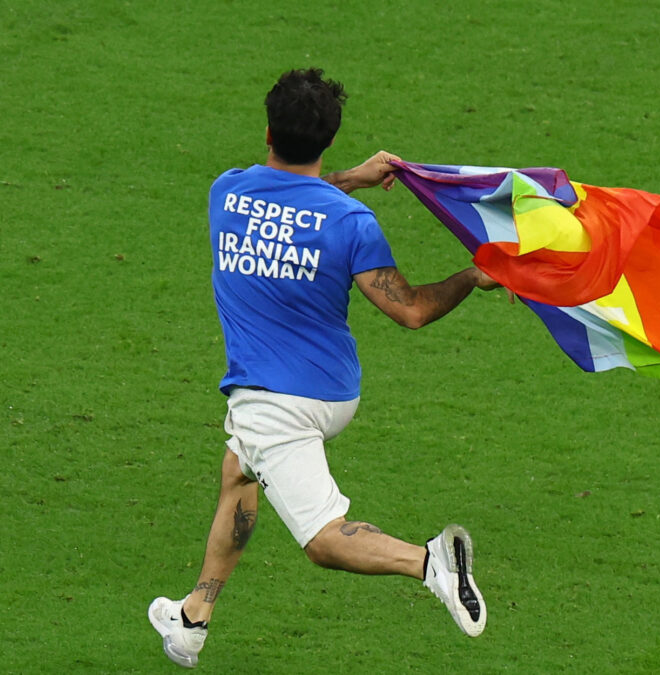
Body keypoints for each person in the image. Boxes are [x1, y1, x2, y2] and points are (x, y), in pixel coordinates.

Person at [148, 68, 499, 668]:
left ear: (266, 130)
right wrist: (471, 274)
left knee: (322, 541)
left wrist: (347, 181)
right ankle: (192, 619)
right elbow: (410, 310)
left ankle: (431, 561)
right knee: (239, 472)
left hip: (273, 401)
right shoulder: (350, 223)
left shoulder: (225, 192)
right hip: (333, 390)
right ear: (329, 141)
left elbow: (286, 197)